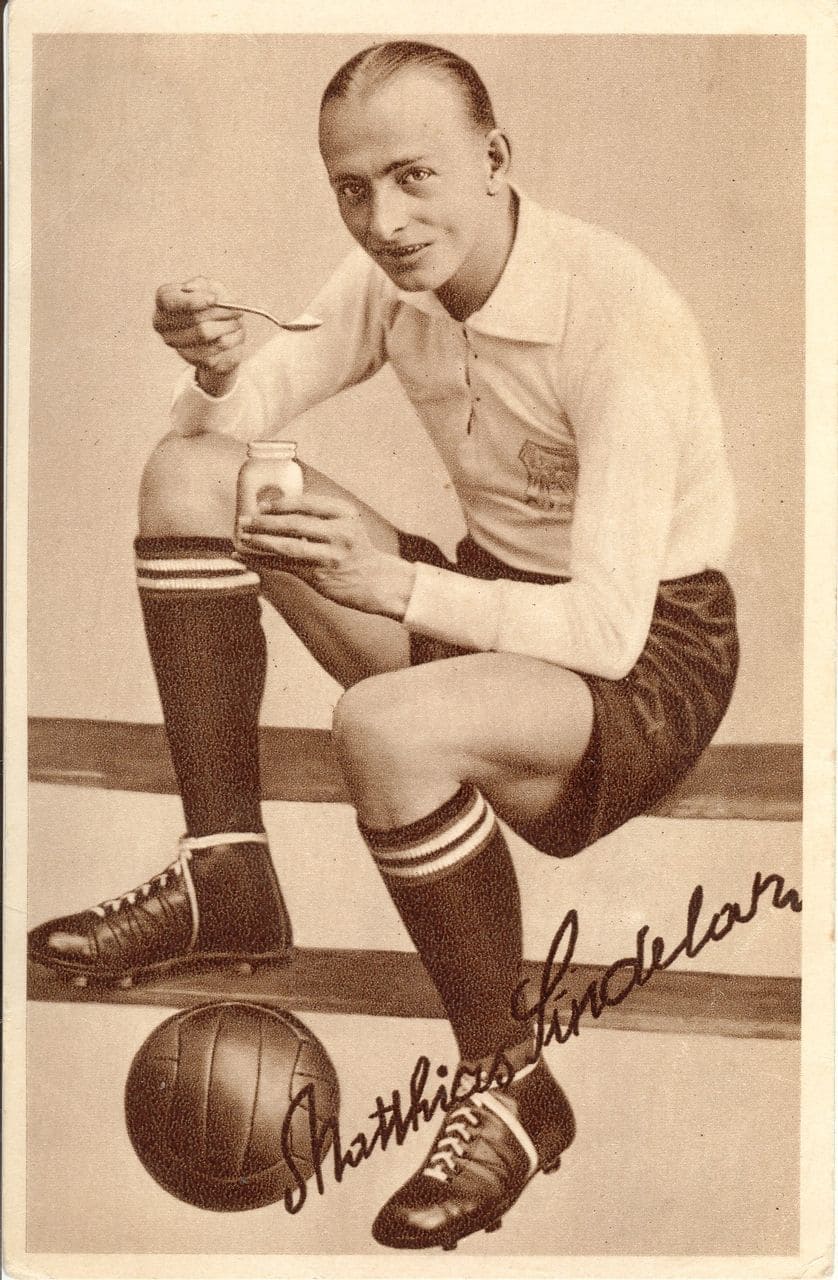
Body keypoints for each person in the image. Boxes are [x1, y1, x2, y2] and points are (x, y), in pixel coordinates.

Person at [28, 40, 739, 1250]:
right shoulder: (395, 278)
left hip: (644, 660)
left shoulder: (617, 315)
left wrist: (393, 583)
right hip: (489, 605)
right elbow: (226, 421)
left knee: (382, 723)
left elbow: (610, 631)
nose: (383, 219)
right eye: (351, 189)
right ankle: (229, 875)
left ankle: (509, 1084)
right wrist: (211, 369)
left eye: (413, 177)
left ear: (494, 162)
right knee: (188, 478)